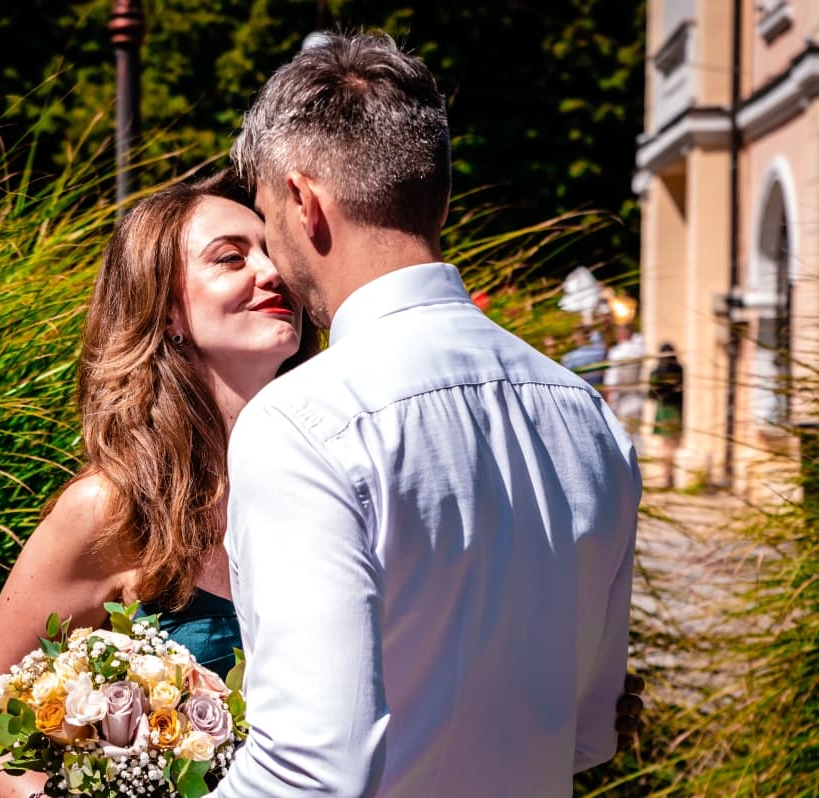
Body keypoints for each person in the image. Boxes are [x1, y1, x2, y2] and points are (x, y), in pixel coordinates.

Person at [211, 31, 641, 798]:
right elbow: (587, 731)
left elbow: (309, 767)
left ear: (306, 204)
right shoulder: (593, 418)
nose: (273, 256)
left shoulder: (303, 422)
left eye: (268, 216)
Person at [0, 172, 318, 797]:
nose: (272, 272)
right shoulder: (110, 508)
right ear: (167, 310)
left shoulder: (329, 477)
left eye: (275, 253)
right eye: (232, 258)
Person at [604, 323, 647, 450]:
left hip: (622, 400)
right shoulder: (640, 350)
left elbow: (612, 381)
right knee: (637, 434)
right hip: (637, 398)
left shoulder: (617, 353)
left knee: (623, 436)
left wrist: (609, 401)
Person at [649, 342, 684, 489]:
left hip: (663, 409)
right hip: (675, 409)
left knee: (666, 446)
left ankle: (666, 476)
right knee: (673, 446)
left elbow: (651, 394)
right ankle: (669, 476)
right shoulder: (679, 370)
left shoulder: (655, 372)